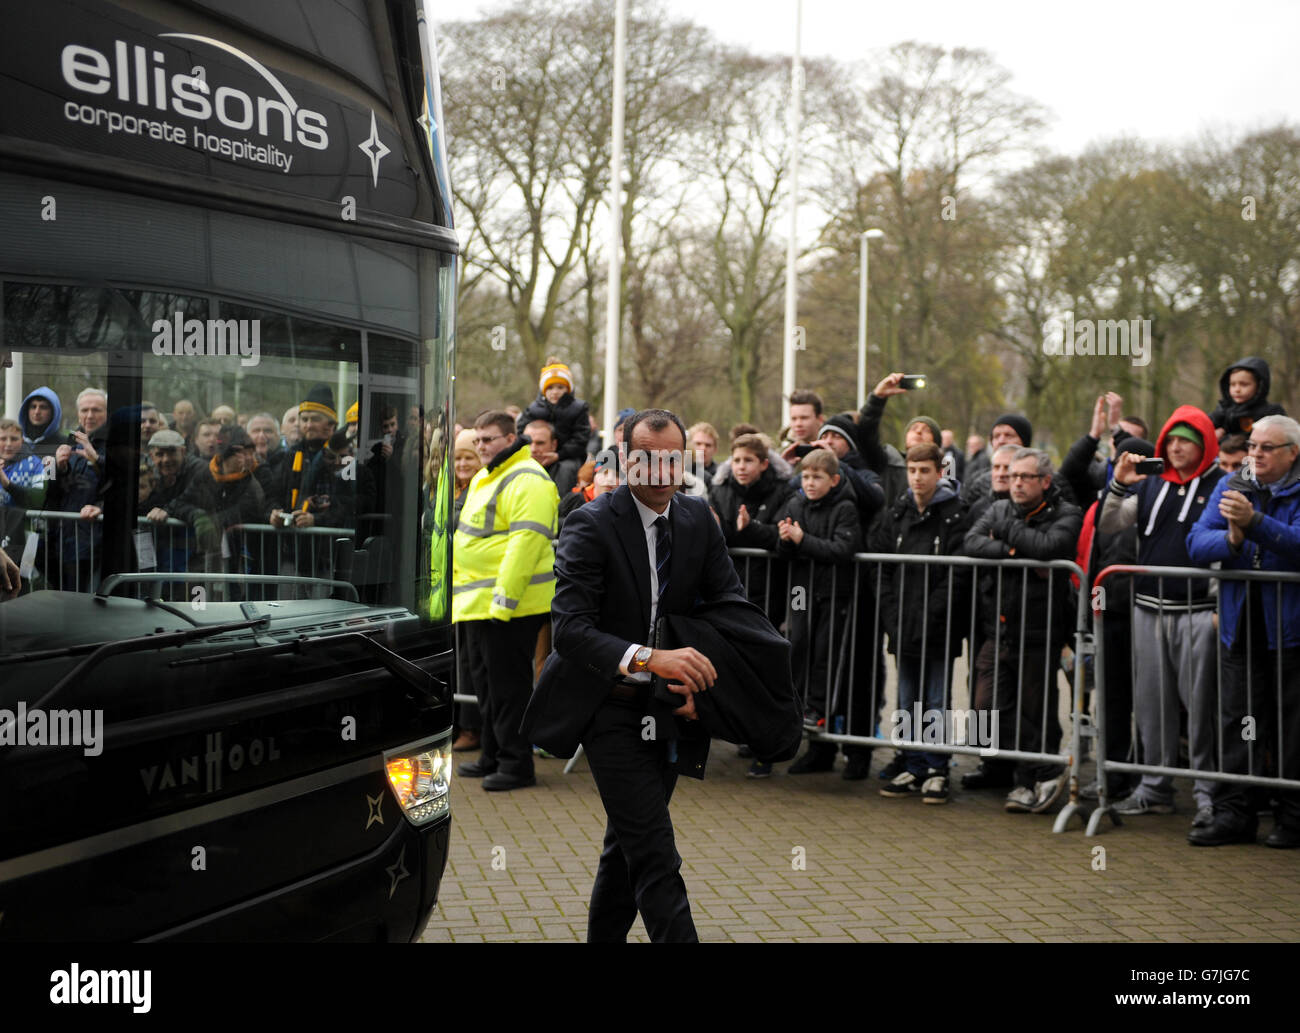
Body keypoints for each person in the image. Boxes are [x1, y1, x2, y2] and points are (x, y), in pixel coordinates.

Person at [521, 408, 747, 942]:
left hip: (669, 710)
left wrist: (698, 686)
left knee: (625, 847)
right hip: (607, 706)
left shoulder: (697, 521)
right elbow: (571, 631)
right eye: (649, 459)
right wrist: (651, 658)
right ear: (624, 458)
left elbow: (729, 609)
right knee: (654, 853)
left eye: (674, 459)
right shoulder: (591, 522)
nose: (663, 471)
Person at [1098, 406, 1224, 821]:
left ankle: (1209, 793)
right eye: (1170, 440)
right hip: (1148, 609)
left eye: (1184, 440)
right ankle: (1154, 788)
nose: (1175, 447)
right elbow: (1110, 525)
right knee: (1152, 705)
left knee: (1201, 707)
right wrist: (1118, 484)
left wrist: (1220, 607)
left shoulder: (1222, 484)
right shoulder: (1152, 484)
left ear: (1203, 444)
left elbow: (1230, 548)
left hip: (1198, 611)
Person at [1187, 415, 1300, 848]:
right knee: (1242, 722)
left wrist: (1254, 524)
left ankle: (1292, 817)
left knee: (1290, 728)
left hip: (1288, 632)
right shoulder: (1233, 484)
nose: (1255, 454)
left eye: (1267, 448)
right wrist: (1232, 542)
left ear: (1293, 452)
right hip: (1242, 627)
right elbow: (1197, 543)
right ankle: (1235, 813)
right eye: (1253, 446)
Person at [963, 448, 1081, 814]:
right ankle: (1041, 768)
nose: (1014, 483)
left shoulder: (1066, 513)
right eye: (1012, 476)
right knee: (986, 707)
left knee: (1035, 711)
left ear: (1045, 481)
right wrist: (1017, 552)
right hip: (997, 627)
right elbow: (972, 542)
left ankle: (1032, 780)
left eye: (1024, 477)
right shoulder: (998, 508)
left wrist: (1012, 535)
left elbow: (1050, 547)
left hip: (1039, 629)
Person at [453, 410, 558, 792]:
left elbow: (525, 544)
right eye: (477, 439)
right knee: (486, 686)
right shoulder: (486, 476)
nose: (481, 446)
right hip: (478, 603)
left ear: (510, 438)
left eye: (489, 439)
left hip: (510, 606)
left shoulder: (528, 479)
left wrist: (503, 602)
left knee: (509, 689)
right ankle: (493, 755)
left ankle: (517, 765)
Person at [871, 442, 971, 804]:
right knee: (906, 697)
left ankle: (936, 768)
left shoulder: (957, 514)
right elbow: (881, 568)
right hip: (903, 623)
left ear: (940, 472)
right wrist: (893, 615)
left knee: (935, 699)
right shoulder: (897, 513)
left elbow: (958, 575)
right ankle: (912, 764)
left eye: (924, 471)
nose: (917, 478)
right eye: (912, 470)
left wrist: (933, 615)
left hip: (939, 627)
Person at [768, 447, 860, 777]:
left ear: (833, 480)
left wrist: (802, 538)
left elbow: (841, 549)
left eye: (817, 477)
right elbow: (784, 553)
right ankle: (796, 706)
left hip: (833, 594)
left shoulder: (846, 507)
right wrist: (785, 541)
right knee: (796, 645)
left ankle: (818, 709)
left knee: (824, 653)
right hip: (801, 594)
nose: (809, 483)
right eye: (805, 477)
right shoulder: (795, 504)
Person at [170, 424, 265, 586]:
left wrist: (214, 521)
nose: (249, 458)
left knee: (233, 606)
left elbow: (248, 509)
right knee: (199, 605)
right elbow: (178, 504)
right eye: (242, 453)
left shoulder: (255, 478)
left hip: (243, 561)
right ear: (226, 455)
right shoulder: (206, 474)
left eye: (250, 453)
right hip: (204, 560)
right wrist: (198, 516)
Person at [853, 372, 941, 507]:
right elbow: (866, 433)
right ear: (905, 439)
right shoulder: (886, 462)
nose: (918, 431)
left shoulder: (947, 479)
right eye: (913, 428)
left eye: (926, 430)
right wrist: (877, 398)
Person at [449, 428, 484, 754]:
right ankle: (457, 722)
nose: (462, 463)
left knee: (470, 664)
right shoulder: (449, 488)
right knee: (456, 661)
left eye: (468, 457)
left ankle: (472, 727)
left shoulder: (481, 489)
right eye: (457, 457)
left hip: (472, 589)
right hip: (449, 587)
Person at [517, 358, 591, 471]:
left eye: (560, 387)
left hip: (567, 456)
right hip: (537, 454)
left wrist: (559, 455)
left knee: (565, 469)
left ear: (568, 389)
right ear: (543, 391)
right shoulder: (533, 409)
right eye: (550, 388)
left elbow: (581, 439)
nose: (555, 392)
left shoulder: (578, 408)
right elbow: (521, 431)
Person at [962, 413, 1034, 508]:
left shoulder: (1037, 480)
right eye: (996, 436)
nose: (1001, 441)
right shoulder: (977, 482)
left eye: (1008, 435)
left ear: (1024, 442)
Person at [1209, 356, 1286, 441]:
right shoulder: (1223, 409)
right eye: (1232, 384)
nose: (1237, 389)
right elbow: (1203, 428)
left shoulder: (1271, 414)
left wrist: (1225, 438)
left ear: (1259, 386)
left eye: (1244, 384)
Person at [525, 418, 579, 497]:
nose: (533, 449)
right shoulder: (513, 468)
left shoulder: (565, 471)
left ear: (554, 445)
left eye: (540, 443)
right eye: (528, 443)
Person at [779, 388, 826, 465]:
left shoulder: (832, 451)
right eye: (794, 419)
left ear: (820, 419)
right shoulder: (782, 454)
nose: (798, 424)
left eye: (804, 418)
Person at [19, 387, 63, 455]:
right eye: (33, 407)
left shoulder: (63, 446)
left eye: (43, 407)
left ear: (53, 412)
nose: (37, 412)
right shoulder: (16, 443)